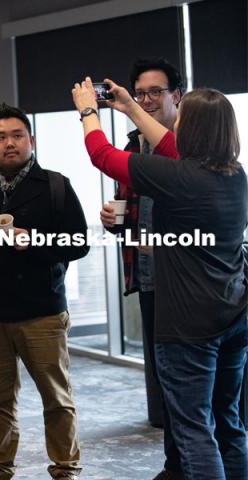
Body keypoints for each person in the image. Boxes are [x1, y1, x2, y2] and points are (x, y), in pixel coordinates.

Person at [72, 77, 248, 480]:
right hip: (232, 317)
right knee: (229, 422)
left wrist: (88, 110)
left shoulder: (177, 178)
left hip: (188, 327)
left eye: (180, 118)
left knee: (194, 431)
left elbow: (102, 155)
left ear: (192, 129)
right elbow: (173, 147)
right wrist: (131, 108)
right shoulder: (234, 175)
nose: (175, 126)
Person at [0, 103, 88, 480]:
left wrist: (35, 242)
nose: (10, 143)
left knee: (56, 399)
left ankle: (65, 468)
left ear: (31, 140)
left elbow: (79, 243)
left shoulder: (55, 185)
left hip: (42, 311)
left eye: (18, 136)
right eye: (2, 137)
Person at [99, 57, 183, 480]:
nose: (146, 100)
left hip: (186, 286)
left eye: (155, 92)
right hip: (148, 281)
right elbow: (132, 215)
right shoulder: (134, 146)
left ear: (176, 96)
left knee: (190, 386)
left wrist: (87, 116)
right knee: (166, 381)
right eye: (141, 93)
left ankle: (191, 465)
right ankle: (175, 464)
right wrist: (113, 222)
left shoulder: (187, 145)